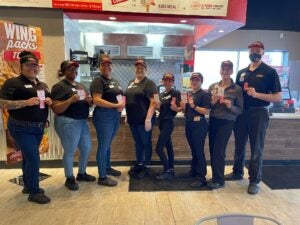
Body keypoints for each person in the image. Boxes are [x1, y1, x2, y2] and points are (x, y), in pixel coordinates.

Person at [225, 41, 282, 195]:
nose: (254, 52)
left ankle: (255, 180)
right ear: (248, 52)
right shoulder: (242, 72)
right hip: (242, 113)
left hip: (259, 113)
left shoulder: (269, 72)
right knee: (239, 144)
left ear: (263, 52)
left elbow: (278, 97)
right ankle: (237, 172)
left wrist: (257, 94)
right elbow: (235, 93)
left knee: (256, 147)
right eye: (251, 50)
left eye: (257, 49)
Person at [0, 51, 52, 204]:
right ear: (21, 66)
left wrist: (48, 101)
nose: (33, 68)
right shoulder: (13, 83)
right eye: (29, 65)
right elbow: (2, 103)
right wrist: (25, 102)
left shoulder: (41, 84)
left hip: (38, 127)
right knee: (34, 158)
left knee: (29, 157)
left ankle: (28, 186)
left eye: (35, 65)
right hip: (21, 127)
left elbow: (43, 103)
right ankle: (34, 193)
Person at [51, 60, 96, 191]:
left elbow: (90, 103)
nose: (74, 72)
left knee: (86, 148)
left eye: (75, 69)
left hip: (82, 122)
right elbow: (56, 108)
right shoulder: (59, 87)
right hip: (68, 121)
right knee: (70, 151)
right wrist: (70, 100)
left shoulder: (80, 85)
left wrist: (90, 101)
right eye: (70, 69)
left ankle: (81, 173)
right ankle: (69, 178)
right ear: (64, 71)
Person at [90, 54, 125, 187]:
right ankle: (102, 176)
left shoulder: (114, 81)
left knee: (108, 144)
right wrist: (116, 106)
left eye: (108, 64)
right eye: (103, 65)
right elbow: (96, 100)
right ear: (99, 67)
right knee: (103, 146)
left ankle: (107, 167)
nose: (106, 67)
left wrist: (121, 106)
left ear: (112, 66)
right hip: (104, 117)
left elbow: (119, 97)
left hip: (114, 116)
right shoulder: (98, 81)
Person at [208, 60, 243, 189]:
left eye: (228, 69)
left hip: (227, 122)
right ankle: (216, 176)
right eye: (223, 69)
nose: (225, 72)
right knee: (212, 149)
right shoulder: (213, 86)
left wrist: (230, 106)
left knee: (219, 150)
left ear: (232, 71)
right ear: (220, 70)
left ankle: (219, 180)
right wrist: (213, 101)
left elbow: (240, 110)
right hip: (213, 120)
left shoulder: (237, 89)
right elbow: (208, 106)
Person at [125, 59, 157, 179]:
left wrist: (148, 119)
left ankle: (147, 166)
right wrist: (128, 115)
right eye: (137, 68)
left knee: (146, 143)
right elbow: (129, 99)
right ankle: (139, 164)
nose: (139, 70)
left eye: (142, 68)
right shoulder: (131, 82)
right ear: (135, 69)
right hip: (133, 120)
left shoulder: (149, 83)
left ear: (145, 70)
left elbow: (153, 102)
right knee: (138, 143)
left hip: (144, 121)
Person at [181, 72, 211, 188]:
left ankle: (201, 177)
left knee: (198, 150)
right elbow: (185, 111)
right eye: (193, 80)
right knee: (193, 149)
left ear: (201, 81)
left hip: (199, 125)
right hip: (189, 123)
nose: (194, 82)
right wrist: (183, 107)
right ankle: (194, 171)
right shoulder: (188, 94)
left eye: (197, 80)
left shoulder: (204, 94)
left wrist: (193, 106)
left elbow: (206, 111)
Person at [155, 73, 181, 180]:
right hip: (161, 122)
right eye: (165, 80)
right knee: (169, 147)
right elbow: (162, 109)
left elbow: (179, 108)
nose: (167, 82)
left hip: (168, 123)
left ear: (173, 82)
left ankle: (167, 171)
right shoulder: (162, 94)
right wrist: (156, 107)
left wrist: (176, 108)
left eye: (170, 81)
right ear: (163, 81)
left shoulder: (175, 92)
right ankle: (171, 169)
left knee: (159, 149)